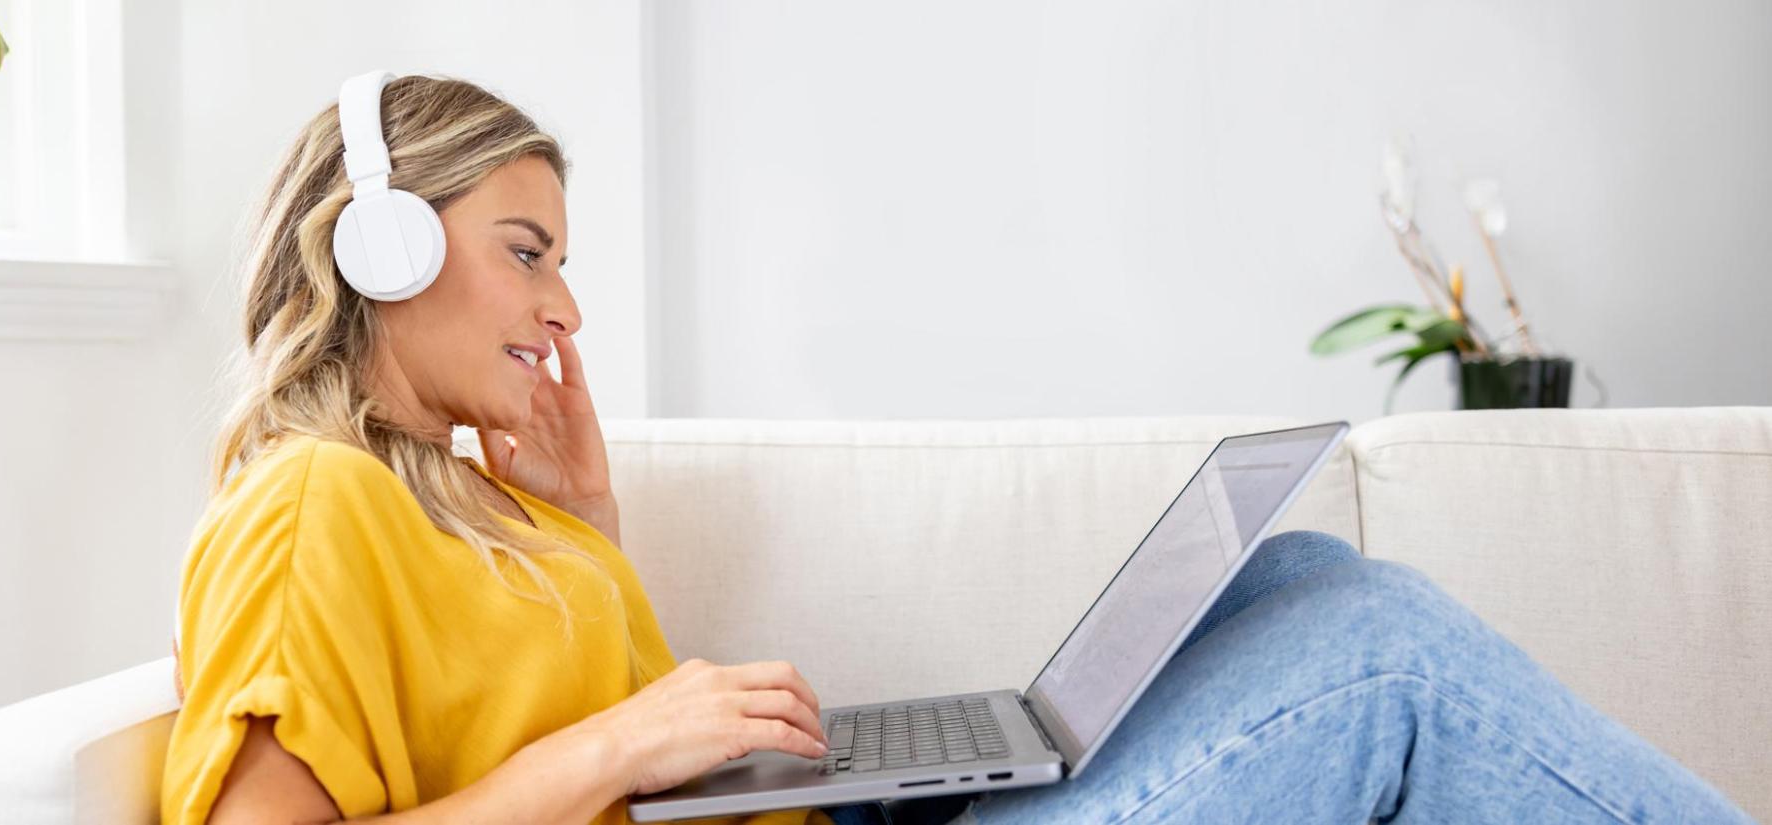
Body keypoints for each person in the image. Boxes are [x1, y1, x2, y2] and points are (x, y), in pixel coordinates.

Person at [160, 74, 1752, 825]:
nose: (564, 303)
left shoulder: (466, 503)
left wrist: (591, 534)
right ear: (371, 247)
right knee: (1384, 661)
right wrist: (618, 742)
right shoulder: (313, 508)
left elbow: (541, 741)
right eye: (526, 250)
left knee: (1311, 575)